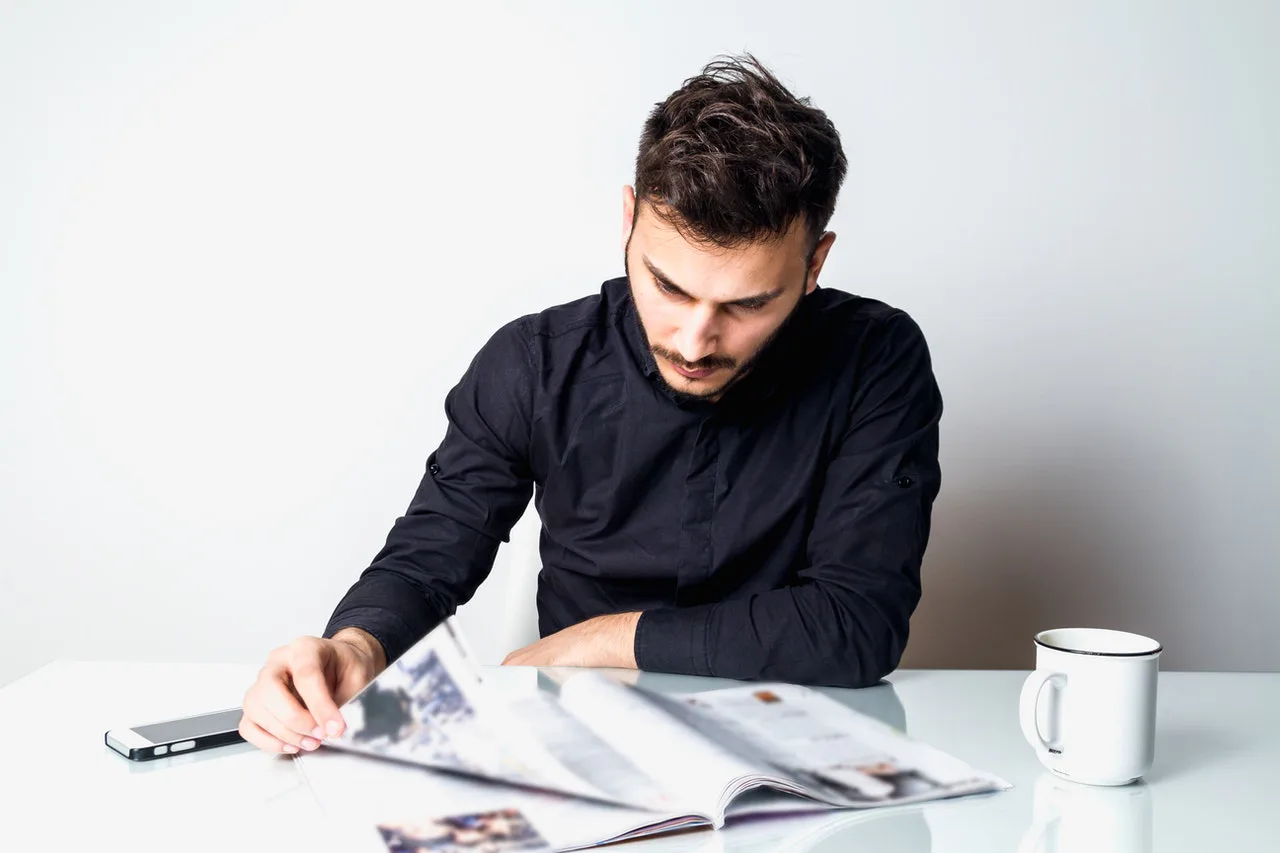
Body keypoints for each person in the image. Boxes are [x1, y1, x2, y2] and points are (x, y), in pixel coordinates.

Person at [240, 53, 943, 755]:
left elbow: (857, 623)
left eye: (748, 304)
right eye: (668, 287)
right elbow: (427, 559)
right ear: (629, 220)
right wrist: (356, 646)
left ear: (815, 263)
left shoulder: (876, 359)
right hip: (580, 743)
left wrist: (603, 640)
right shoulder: (534, 363)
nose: (695, 342)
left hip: (797, 741)